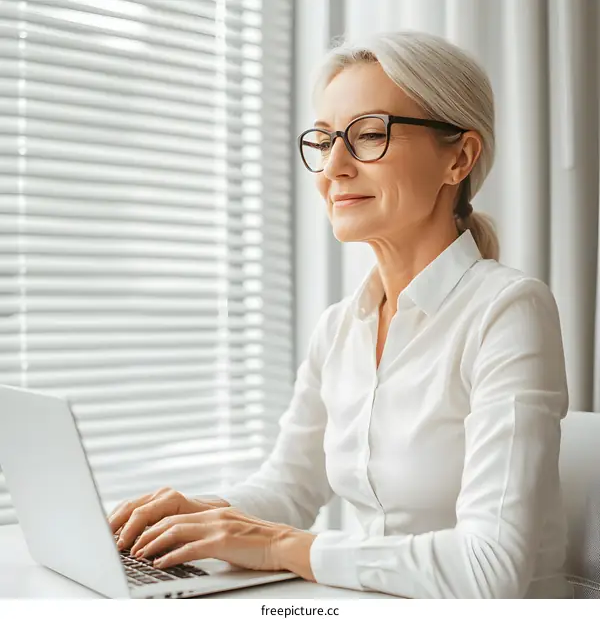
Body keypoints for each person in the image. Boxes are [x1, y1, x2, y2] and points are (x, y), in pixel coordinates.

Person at [108, 30, 572, 599]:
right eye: (324, 140)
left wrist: (281, 547)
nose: (334, 167)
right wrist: (200, 516)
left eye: (370, 134)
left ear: (460, 157)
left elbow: (489, 569)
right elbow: (287, 489)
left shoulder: (508, 311)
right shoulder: (339, 328)